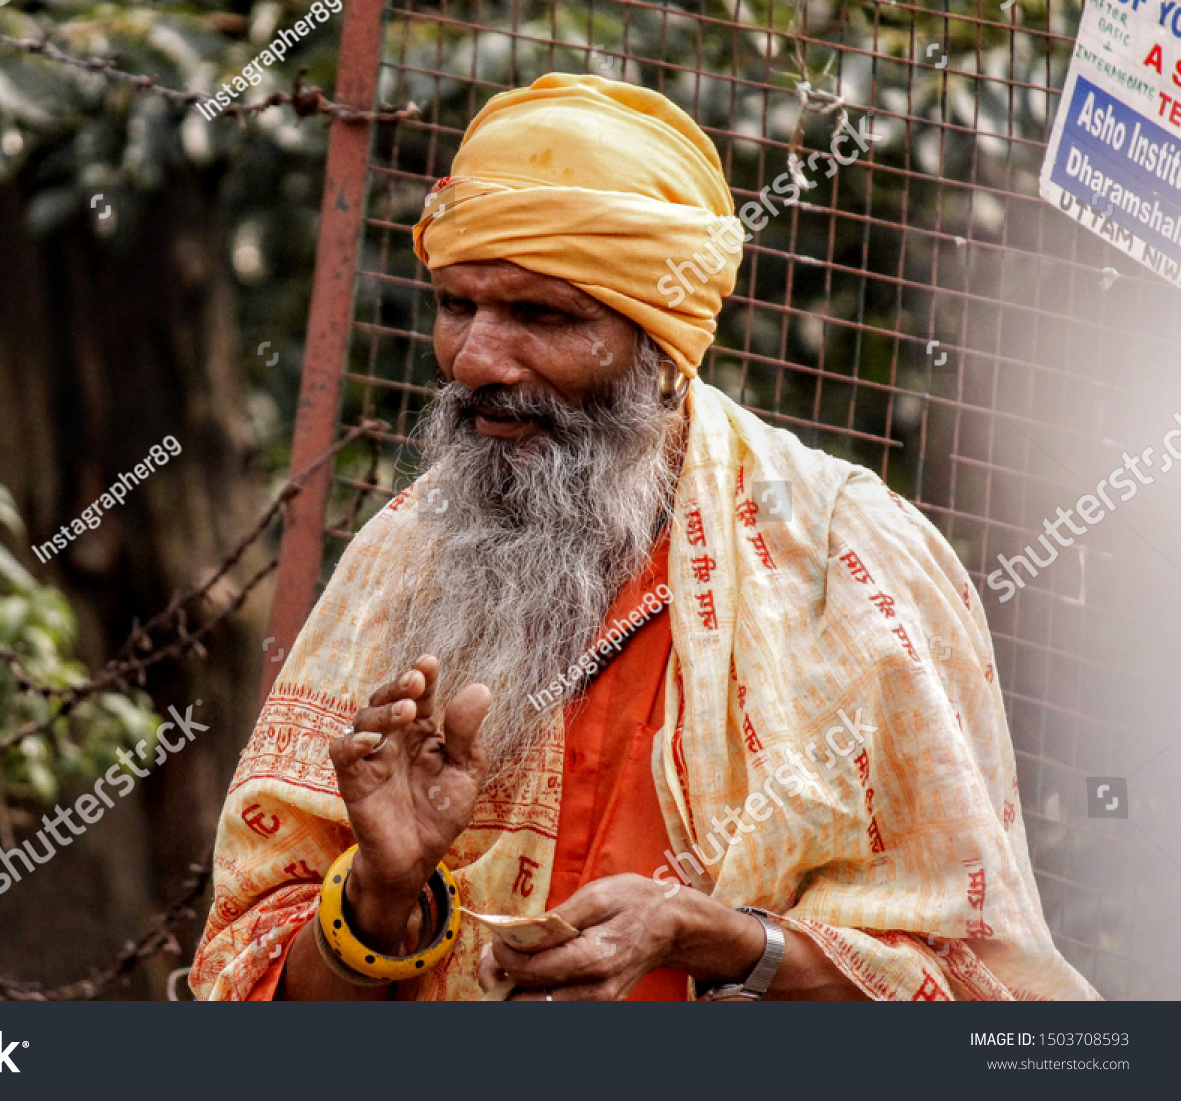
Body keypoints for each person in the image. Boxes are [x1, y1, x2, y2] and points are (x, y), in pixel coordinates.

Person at [190, 73, 1096, 1001]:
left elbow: (973, 991)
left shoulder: (847, 559)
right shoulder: (406, 554)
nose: (475, 359)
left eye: (542, 315)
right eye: (458, 304)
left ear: (661, 346)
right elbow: (253, 986)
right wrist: (381, 896)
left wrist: (721, 939)